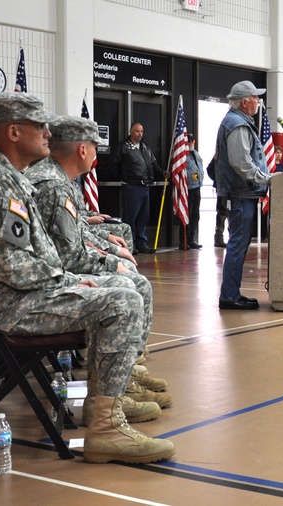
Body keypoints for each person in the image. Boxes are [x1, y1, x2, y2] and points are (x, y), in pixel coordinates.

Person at [0, 92, 173, 464]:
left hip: (14, 297)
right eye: (40, 125)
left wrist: (67, 278)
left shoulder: (7, 177)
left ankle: (104, 412)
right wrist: (66, 279)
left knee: (119, 288)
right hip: (7, 306)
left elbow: (22, 259)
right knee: (123, 298)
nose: (48, 133)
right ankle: (105, 428)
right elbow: (10, 266)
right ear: (14, 132)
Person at [25, 115, 171, 419]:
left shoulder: (57, 178)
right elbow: (70, 256)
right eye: (93, 146)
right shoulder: (52, 185)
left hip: (47, 275)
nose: (96, 153)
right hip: (45, 285)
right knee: (132, 285)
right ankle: (116, 388)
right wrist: (112, 262)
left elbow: (74, 235)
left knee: (129, 276)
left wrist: (108, 251)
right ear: (81, 150)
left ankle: (124, 374)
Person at [216, 80, 272, 310]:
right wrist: (266, 179)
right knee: (237, 244)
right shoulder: (237, 125)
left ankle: (233, 293)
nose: (259, 101)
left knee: (239, 244)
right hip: (239, 194)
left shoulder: (241, 122)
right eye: (256, 98)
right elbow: (242, 164)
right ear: (244, 101)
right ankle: (229, 296)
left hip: (243, 194)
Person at [111, 122, 161, 254]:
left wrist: (162, 172)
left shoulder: (145, 147)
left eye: (142, 132)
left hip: (145, 187)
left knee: (143, 216)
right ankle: (130, 243)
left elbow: (154, 164)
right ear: (131, 132)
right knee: (130, 217)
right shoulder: (124, 147)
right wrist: (122, 178)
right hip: (131, 186)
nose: (140, 134)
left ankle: (141, 242)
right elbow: (115, 164)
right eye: (137, 131)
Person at [180, 134, 204, 249]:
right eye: (188, 141)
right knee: (186, 215)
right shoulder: (182, 156)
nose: (191, 143)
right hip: (187, 189)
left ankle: (191, 239)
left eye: (192, 140)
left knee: (195, 215)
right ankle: (183, 240)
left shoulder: (195, 154)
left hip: (197, 188)